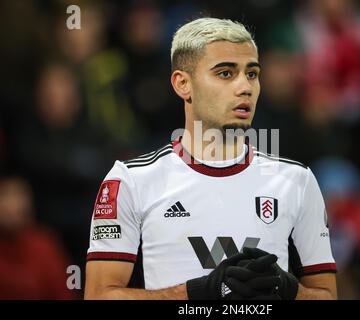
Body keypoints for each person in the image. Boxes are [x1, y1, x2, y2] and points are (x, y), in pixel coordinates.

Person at [84, 17, 337, 300]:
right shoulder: (131, 181)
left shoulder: (297, 181)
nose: (246, 87)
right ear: (183, 84)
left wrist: (286, 287)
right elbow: (98, 296)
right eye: (226, 73)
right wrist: (198, 292)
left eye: (252, 73)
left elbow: (327, 295)